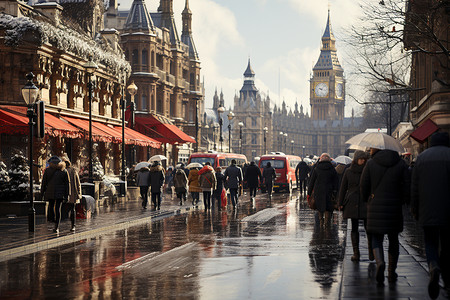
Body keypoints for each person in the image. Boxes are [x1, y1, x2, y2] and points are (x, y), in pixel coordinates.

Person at [360, 147, 410, 284]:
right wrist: (403, 200)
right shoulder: (400, 163)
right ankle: (391, 271)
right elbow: (407, 185)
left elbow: (363, 185)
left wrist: (367, 199)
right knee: (394, 239)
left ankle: (380, 262)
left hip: (375, 206)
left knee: (376, 238)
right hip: (394, 206)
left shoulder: (370, 164)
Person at [411, 132, 450, 299]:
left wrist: (415, 208)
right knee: (447, 245)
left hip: (427, 208)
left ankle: (433, 265)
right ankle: (447, 280)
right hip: (448, 209)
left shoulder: (422, 158)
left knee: (430, 242)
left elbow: (414, 188)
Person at [337, 150, 371, 262]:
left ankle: (371, 251)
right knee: (354, 228)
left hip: (365, 201)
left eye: (364, 159)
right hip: (352, 202)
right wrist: (340, 203)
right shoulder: (348, 171)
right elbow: (343, 188)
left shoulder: (368, 170)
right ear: (356, 159)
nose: (363, 161)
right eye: (361, 159)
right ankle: (356, 253)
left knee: (369, 228)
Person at [307, 153, 338, 228]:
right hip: (329, 192)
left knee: (319, 207)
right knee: (328, 208)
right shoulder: (332, 169)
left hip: (318, 192)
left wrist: (309, 193)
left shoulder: (317, 169)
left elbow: (311, 182)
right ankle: (327, 223)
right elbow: (336, 182)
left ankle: (321, 222)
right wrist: (336, 193)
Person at [41, 156, 70, 233]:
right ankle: (56, 226)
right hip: (60, 193)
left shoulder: (47, 171)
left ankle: (52, 219)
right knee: (58, 209)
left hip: (50, 192)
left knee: (51, 206)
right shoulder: (64, 171)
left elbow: (44, 183)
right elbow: (67, 184)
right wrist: (67, 195)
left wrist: (42, 193)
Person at [62, 157, 81, 232]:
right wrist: (79, 193)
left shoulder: (71, 171)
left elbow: (77, 183)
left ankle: (72, 225)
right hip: (71, 193)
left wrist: (78, 193)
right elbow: (78, 183)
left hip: (69, 193)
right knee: (71, 209)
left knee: (70, 209)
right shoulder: (72, 171)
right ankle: (72, 225)